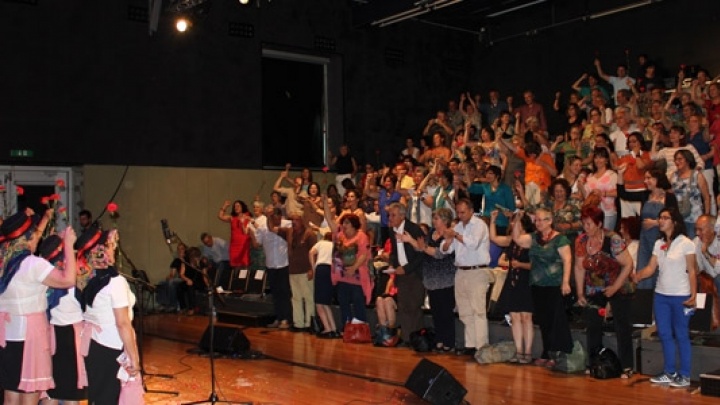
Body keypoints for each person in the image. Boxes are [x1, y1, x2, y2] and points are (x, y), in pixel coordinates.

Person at [0, 212, 77, 405]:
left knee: (11, 394)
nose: (38, 238)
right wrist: (68, 245)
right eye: (35, 234)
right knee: (30, 392)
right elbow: (68, 280)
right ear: (27, 237)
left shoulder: (4, 262)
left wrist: (43, 222)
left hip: (8, 336)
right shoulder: (32, 264)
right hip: (30, 336)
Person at [635, 207, 697, 388]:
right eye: (660, 218)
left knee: (681, 334)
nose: (660, 221)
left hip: (681, 296)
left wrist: (693, 294)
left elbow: (692, 271)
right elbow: (651, 269)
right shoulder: (658, 243)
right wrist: (637, 275)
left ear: (675, 222)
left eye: (665, 218)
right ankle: (669, 372)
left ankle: (684, 374)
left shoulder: (686, 243)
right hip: (661, 295)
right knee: (664, 334)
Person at [81, 228, 141, 404]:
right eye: (110, 247)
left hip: (93, 345)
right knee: (108, 398)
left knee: (98, 397)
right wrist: (134, 359)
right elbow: (122, 323)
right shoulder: (115, 282)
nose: (113, 250)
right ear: (100, 251)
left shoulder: (87, 278)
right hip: (111, 348)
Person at [574, 206, 636, 378]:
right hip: (594, 287)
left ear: (599, 224)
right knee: (592, 324)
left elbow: (628, 264)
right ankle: (594, 362)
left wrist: (615, 287)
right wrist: (580, 293)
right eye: (583, 223)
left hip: (619, 284)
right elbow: (579, 267)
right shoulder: (581, 241)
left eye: (589, 223)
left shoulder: (613, 239)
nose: (585, 227)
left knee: (621, 325)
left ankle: (627, 366)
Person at [513, 207, 573, 366]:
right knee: (543, 321)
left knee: (554, 320)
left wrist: (566, 282)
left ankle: (555, 354)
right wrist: (518, 220)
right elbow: (517, 239)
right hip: (537, 285)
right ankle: (546, 352)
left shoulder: (560, 239)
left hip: (554, 285)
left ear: (550, 221)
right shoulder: (533, 238)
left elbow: (567, 260)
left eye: (541, 220)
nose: (538, 223)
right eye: (536, 220)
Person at [39, 234, 87, 405]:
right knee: (70, 394)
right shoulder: (70, 278)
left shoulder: (43, 276)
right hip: (70, 336)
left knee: (51, 390)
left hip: (50, 335)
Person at [440, 199, 491, 356]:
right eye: (458, 212)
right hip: (461, 271)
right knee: (465, 311)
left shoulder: (479, 225)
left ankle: (481, 346)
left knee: (478, 311)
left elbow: (473, 244)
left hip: (477, 271)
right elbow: (445, 250)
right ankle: (470, 345)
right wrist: (448, 240)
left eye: (463, 212)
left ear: (470, 210)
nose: (460, 215)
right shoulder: (458, 226)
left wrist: (455, 234)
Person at [402, 208, 456, 352]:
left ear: (445, 220)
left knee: (446, 313)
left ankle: (448, 342)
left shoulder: (449, 236)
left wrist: (424, 247)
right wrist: (410, 240)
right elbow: (421, 248)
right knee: (436, 312)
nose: (434, 221)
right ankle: (439, 340)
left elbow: (439, 254)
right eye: (433, 218)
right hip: (431, 280)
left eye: (436, 218)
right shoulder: (431, 234)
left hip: (445, 280)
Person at [617, 167, 678, 290]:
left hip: (661, 239)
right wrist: (619, 174)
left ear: (657, 179)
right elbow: (623, 194)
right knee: (644, 268)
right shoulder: (645, 195)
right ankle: (644, 302)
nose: (646, 181)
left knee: (660, 270)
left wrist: (656, 222)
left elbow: (675, 218)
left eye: (649, 178)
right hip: (645, 240)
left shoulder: (669, 197)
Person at [491, 210, 535, 364]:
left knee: (526, 317)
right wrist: (492, 220)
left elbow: (533, 265)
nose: (513, 224)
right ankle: (519, 350)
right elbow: (494, 239)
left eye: (516, 222)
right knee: (515, 317)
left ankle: (527, 351)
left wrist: (520, 264)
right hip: (513, 280)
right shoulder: (512, 240)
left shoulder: (529, 239)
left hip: (525, 280)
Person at [323, 197, 373, 326]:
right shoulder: (340, 235)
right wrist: (325, 202)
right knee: (344, 305)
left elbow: (364, 254)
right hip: (343, 278)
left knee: (358, 305)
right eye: (343, 223)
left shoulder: (361, 236)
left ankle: (361, 330)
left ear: (353, 225)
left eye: (346, 223)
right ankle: (347, 330)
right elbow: (329, 220)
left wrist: (353, 268)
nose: (343, 226)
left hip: (357, 278)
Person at [387, 202, 425, 346]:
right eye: (389, 215)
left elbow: (421, 255)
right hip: (401, 273)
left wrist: (407, 268)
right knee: (403, 306)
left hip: (415, 273)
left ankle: (417, 338)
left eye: (393, 215)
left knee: (414, 306)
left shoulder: (414, 229)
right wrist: (393, 264)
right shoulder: (392, 230)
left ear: (402, 216)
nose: (390, 218)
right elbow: (394, 252)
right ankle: (407, 337)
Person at [254, 207, 292, 329]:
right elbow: (257, 244)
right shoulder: (262, 228)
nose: (277, 221)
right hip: (271, 264)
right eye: (274, 218)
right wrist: (250, 232)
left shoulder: (287, 224)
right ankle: (278, 317)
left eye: (278, 218)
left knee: (284, 292)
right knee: (275, 293)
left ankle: (286, 319)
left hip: (284, 264)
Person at [288, 214, 317, 332]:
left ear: (302, 221)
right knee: (296, 298)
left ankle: (310, 323)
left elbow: (315, 252)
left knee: (308, 297)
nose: (294, 222)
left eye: (296, 220)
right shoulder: (290, 233)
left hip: (305, 270)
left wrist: (312, 269)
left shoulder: (310, 234)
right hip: (293, 270)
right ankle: (298, 323)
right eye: (292, 220)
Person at [672, 149, 710, 238]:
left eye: (680, 159)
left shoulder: (697, 175)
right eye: (675, 160)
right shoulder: (674, 176)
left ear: (688, 160)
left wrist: (706, 217)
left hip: (694, 218)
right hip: (679, 218)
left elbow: (706, 197)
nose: (677, 162)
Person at [309, 232, 339, 338]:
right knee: (325, 302)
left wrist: (313, 268)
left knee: (318, 303)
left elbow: (311, 252)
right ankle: (333, 329)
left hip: (321, 269)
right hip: (331, 270)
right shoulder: (335, 245)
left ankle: (327, 328)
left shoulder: (321, 243)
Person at [218, 200, 252, 287]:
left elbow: (248, 231)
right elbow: (220, 216)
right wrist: (224, 206)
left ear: (242, 207)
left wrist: (243, 220)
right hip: (234, 245)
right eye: (235, 206)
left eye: (238, 206)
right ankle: (237, 285)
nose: (236, 207)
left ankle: (244, 285)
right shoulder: (232, 218)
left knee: (244, 264)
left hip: (243, 244)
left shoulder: (247, 216)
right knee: (236, 266)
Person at [694, 215, 720, 293]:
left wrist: (706, 253)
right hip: (709, 281)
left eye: (701, 229)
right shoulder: (697, 242)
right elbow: (697, 270)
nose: (697, 233)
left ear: (712, 229)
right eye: (696, 229)